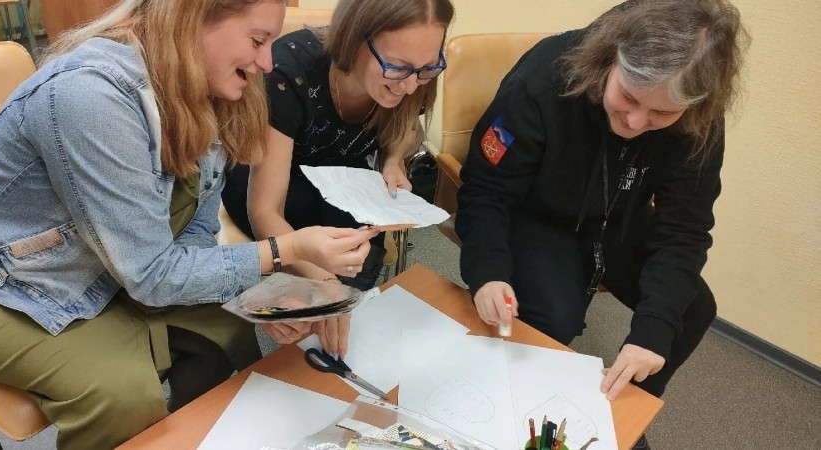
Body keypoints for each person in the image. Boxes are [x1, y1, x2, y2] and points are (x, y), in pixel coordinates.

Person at [0, 0, 378, 448]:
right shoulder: (91, 96)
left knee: (228, 332)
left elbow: (193, 229)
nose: (265, 63)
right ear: (193, 17)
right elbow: (149, 276)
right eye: (258, 41)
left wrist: (257, 298)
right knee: (122, 397)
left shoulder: (203, 86)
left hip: (110, 261)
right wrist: (285, 252)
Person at [456, 1, 748, 447]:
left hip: (622, 215)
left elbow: (684, 229)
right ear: (610, 58)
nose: (636, 122)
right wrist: (488, 272)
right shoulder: (543, 80)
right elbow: (485, 190)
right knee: (553, 315)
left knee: (689, 310)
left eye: (663, 114)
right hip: (539, 212)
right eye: (629, 97)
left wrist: (652, 334)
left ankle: (618, 414)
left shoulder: (699, 116)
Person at [222, 0, 455, 295]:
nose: (409, 87)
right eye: (397, 68)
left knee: (361, 243)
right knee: (325, 268)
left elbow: (404, 122)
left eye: (427, 69)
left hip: (342, 179)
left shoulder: (416, 72)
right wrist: (327, 286)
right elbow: (265, 212)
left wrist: (393, 161)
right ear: (353, 39)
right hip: (270, 182)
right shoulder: (288, 74)